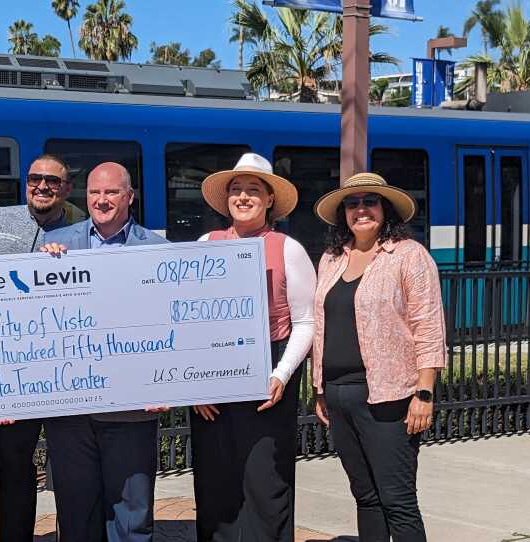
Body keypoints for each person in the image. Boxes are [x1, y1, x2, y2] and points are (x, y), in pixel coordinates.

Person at [312, 172, 446, 542]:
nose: (361, 210)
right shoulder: (332, 258)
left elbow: (429, 327)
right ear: (344, 214)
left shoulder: (408, 256)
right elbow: (323, 325)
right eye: (352, 204)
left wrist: (424, 392)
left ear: (385, 209)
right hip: (339, 394)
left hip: (389, 396)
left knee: (397, 499)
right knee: (366, 497)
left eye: (369, 201)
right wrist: (320, 388)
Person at [190, 152, 316, 541]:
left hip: (269, 373)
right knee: (215, 481)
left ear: (269, 201)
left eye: (253, 190)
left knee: (266, 482)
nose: (243, 197)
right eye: (236, 190)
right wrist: (194, 383)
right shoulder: (204, 244)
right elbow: (186, 318)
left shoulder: (287, 248)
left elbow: (306, 322)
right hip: (213, 374)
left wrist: (281, 374)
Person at [40, 162, 167, 542]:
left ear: (129, 197)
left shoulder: (158, 249)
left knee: (132, 517)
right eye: (95, 192)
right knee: (77, 515)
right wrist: (41, 267)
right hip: (71, 412)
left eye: (111, 192)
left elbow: (170, 324)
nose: (102, 199)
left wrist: (167, 387)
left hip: (131, 411)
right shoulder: (56, 245)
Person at [0, 153, 76, 540]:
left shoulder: (81, 232)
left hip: (49, 369)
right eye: (34, 178)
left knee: (18, 464)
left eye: (52, 181)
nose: (42, 186)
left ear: (66, 189)